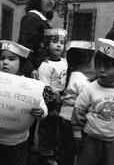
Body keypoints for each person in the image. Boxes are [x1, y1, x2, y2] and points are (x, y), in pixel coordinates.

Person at [71, 38, 114, 165]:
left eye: (108, 67)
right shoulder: (90, 88)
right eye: (98, 65)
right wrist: (77, 132)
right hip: (90, 140)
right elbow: (79, 109)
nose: (101, 70)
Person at [0, 40, 48, 165]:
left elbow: (42, 105)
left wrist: (41, 112)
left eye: (11, 59)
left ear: (21, 63)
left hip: (18, 141)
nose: (5, 62)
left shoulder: (29, 85)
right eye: (2, 58)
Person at [18, 0, 56, 151]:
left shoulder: (41, 19)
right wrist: (30, 70)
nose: (51, 1)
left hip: (41, 71)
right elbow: (23, 48)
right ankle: (25, 145)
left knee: (38, 110)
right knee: (31, 110)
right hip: (33, 72)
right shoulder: (32, 18)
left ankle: (30, 143)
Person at [58, 41, 95, 165]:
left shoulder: (72, 75)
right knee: (71, 151)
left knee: (64, 149)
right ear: (87, 60)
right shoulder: (82, 82)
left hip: (64, 117)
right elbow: (88, 103)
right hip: (72, 120)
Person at [37, 28, 68, 165]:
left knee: (58, 130)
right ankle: (46, 154)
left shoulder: (65, 62)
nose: (59, 45)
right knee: (47, 128)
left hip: (63, 100)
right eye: (55, 42)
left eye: (62, 42)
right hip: (51, 102)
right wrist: (54, 100)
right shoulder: (45, 65)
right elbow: (44, 87)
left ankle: (56, 151)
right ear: (46, 44)